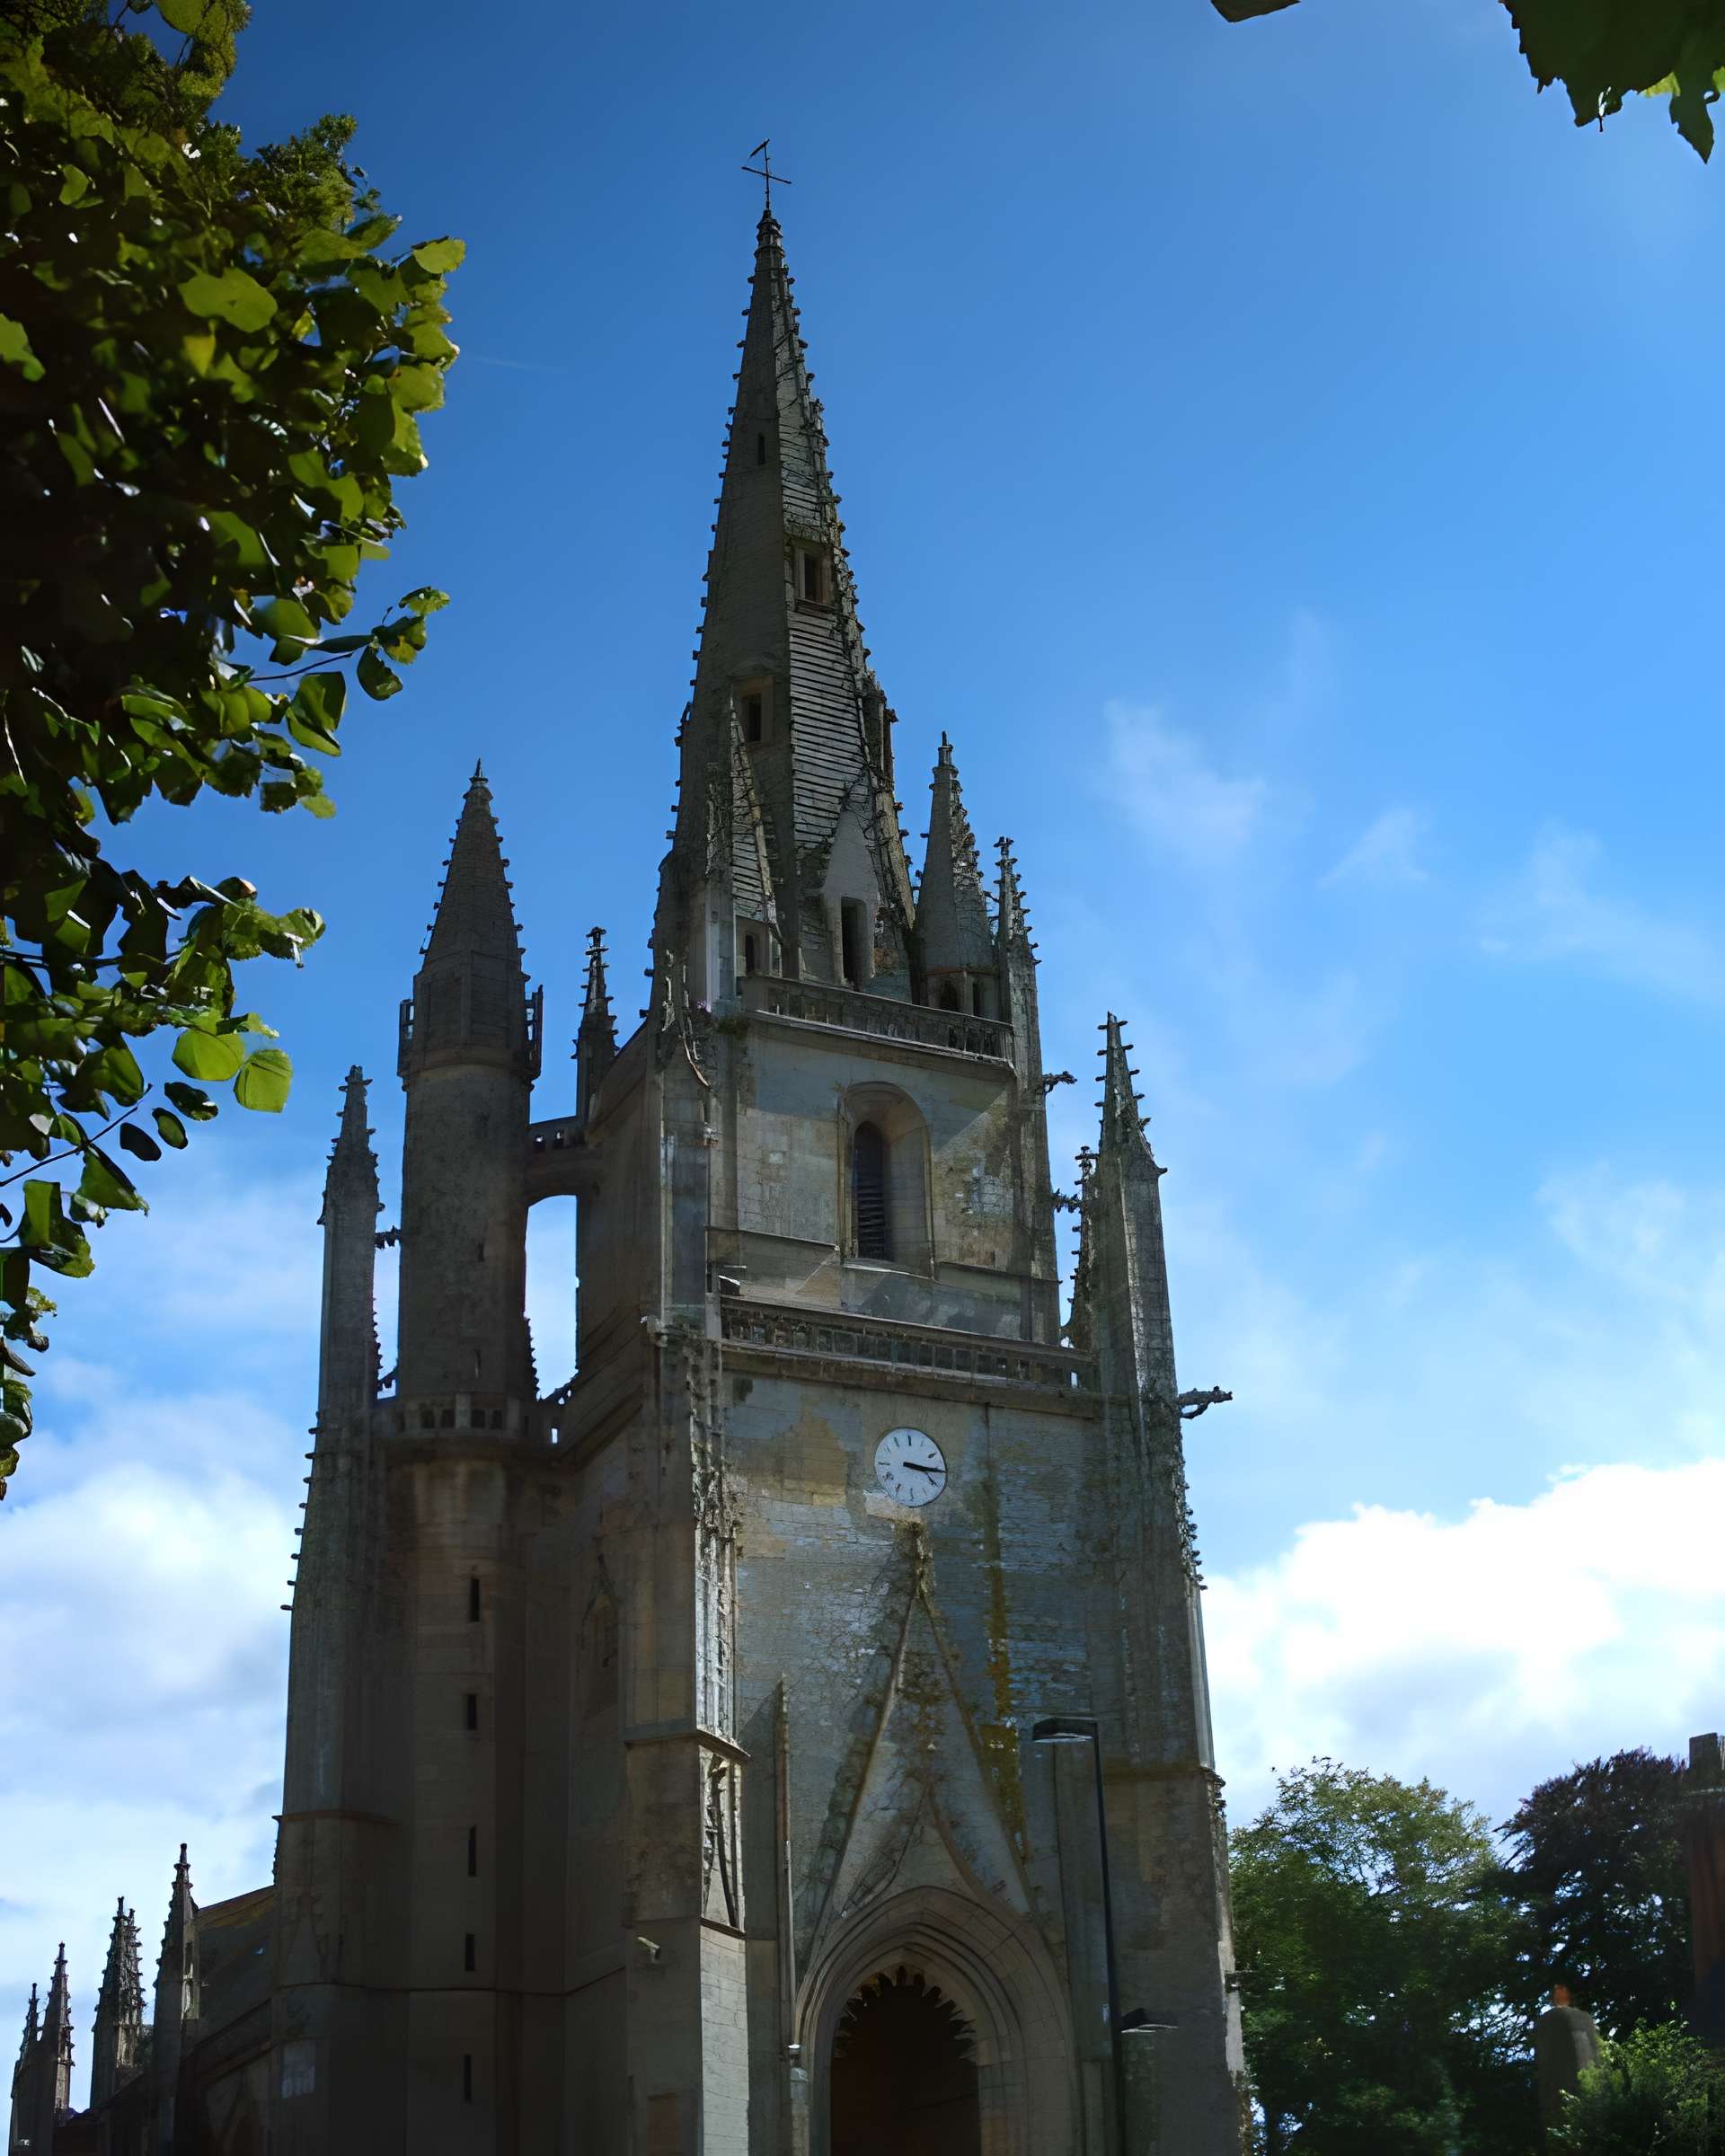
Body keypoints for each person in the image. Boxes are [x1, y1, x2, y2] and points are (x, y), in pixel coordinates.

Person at [1534, 1978, 1604, 2143]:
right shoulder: (1547, 2020)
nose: (1559, 1993)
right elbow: (1542, 2059)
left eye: (1562, 1989)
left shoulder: (1583, 2018)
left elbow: (1595, 2053)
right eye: (1556, 1990)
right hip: (1558, 2092)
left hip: (1581, 2089)